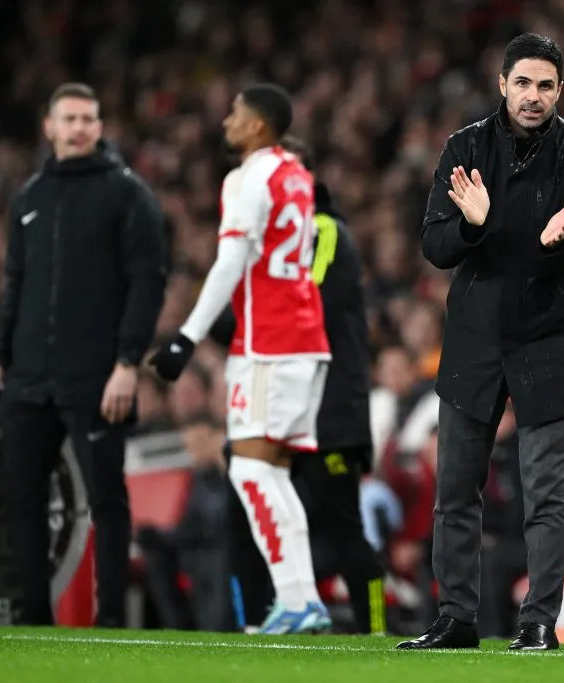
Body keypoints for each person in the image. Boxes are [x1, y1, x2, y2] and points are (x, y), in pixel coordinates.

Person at [397, 33, 564, 652]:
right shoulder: (465, 148)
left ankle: (539, 621)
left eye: (546, 86)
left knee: (546, 492)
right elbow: (435, 247)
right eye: (523, 83)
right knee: (455, 490)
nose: (533, 96)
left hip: (549, 338)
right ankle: (455, 619)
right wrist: (470, 223)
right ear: (502, 84)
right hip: (475, 339)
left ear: (560, 92)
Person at [148, 83, 331, 635]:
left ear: (257, 125)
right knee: (272, 473)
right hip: (305, 339)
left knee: (251, 471)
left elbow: (230, 263)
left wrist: (186, 336)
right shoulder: (298, 175)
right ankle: (302, 598)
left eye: (235, 112)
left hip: (269, 343)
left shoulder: (248, 176)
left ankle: (297, 599)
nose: (226, 119)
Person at [0, 82, 167, 627]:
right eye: (70, 119)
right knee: (20, 498)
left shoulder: (128, 194)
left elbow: (147, 283)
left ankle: (111, 624)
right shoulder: (29, 199)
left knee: (106, 500)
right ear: (50, 126)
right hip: (27, 378)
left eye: (88, 118)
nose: (79, 127)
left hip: (98, 376)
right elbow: (14, 286)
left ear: (99, 126)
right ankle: (35, 620)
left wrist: (128, 363)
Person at [210, 134, 387, 635]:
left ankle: (376, 631)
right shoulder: (258, 244)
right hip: (270, 403)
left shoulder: (327, 231)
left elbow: (302, 305)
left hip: (328, 408)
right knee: (243, 524)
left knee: (343, 528)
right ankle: (251, 627)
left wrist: (228, 319)